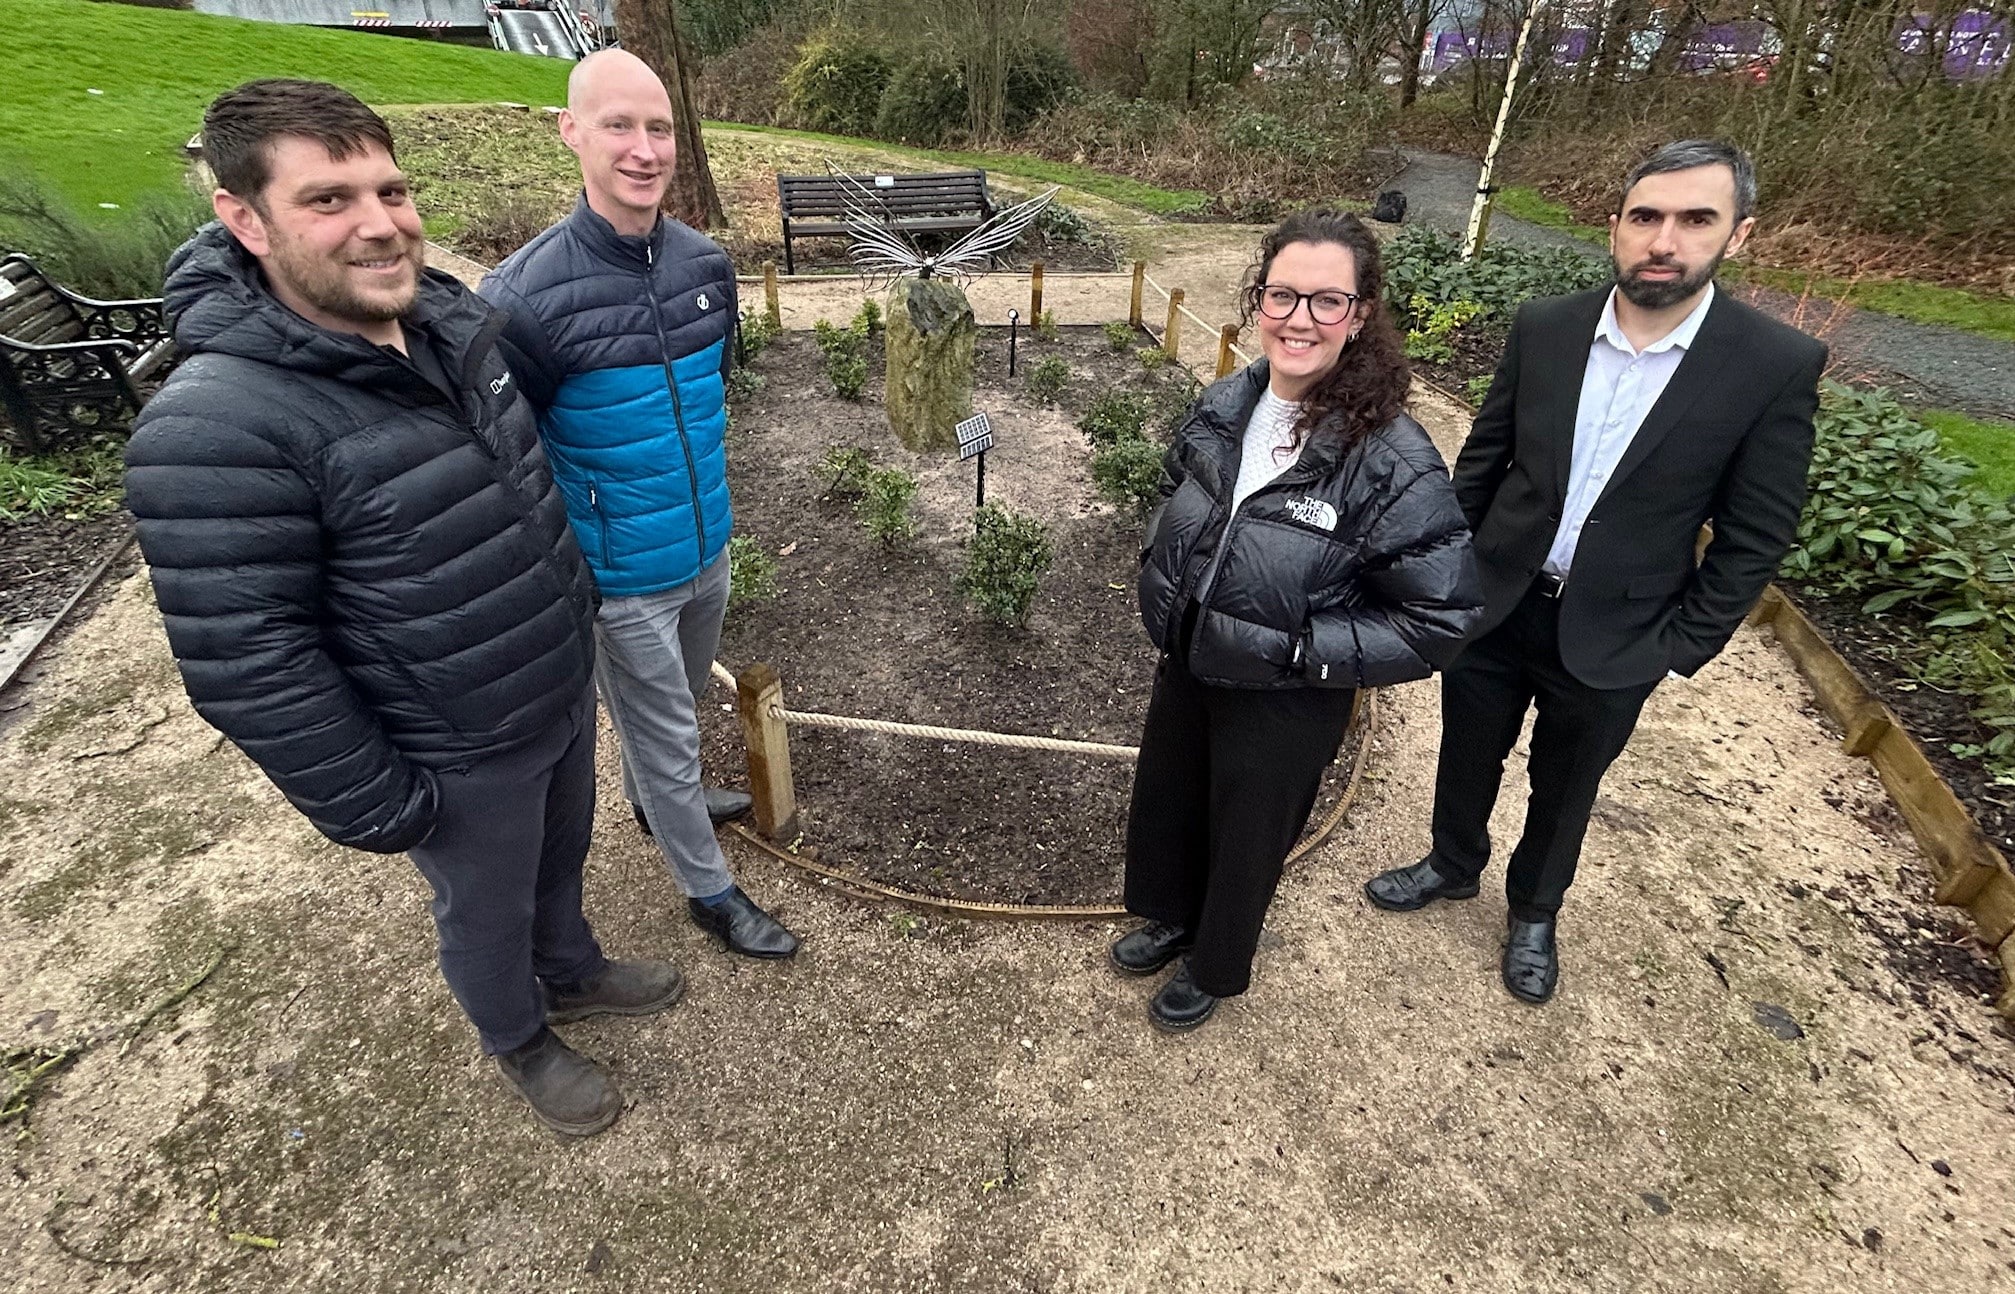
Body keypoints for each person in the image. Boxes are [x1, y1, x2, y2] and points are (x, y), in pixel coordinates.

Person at [125, 80, 685, 1138]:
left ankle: (569, 966)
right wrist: (382, 802)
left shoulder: (450, 327)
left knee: (560, 855)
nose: (381, 222)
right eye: (329, 199)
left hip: (550, 688)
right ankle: (518, 1034)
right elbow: (248, 659)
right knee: (483, 907)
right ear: (244, 220)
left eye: (390, 187)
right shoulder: (216, 427)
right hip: (452, 743)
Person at [1364, 140, 1827, 1005]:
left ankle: (1534, 910)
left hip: (1620, 631)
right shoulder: (1545, 326)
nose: (1665, 240)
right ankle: (1450, 861)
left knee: (1567, 780)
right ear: (1614, 226)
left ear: (1738, 235)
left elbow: (1754, 535)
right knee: (1467, 749)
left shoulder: (1771, 366)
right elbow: (1484, 466)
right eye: (1646, 216)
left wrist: (1677, 645)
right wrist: (1448, 573)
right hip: (1496, 600)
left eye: (1696, 220)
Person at [1114, 209, 1484, 1032]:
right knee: (1173, 798)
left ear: (1357, 318)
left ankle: (1212, 964)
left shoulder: (1390, 458)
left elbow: (1442, 616)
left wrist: (1302, 649)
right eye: (1283, 295)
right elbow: (1187, 494)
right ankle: (1172, 917)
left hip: (1285, 690)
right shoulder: (1226, 402)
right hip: (1193, 653)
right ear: (1257, 303)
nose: (1299, 319)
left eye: (1326, 301)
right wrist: (1166, 572)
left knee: (1247, 834)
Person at [478, 50, 798, 960]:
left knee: (684, 701)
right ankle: (708, 890)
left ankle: (657, 801)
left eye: (658, 127)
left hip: (707, 548)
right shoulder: (522, 297)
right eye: (619, 124)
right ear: (570, 131)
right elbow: (510, 456)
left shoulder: (705, 263)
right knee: (663, 730)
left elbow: (708, 400)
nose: (644, 148)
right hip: (618, 576)